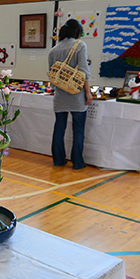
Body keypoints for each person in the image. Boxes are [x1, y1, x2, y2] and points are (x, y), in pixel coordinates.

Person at [48, 19, 92, 169]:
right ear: (77, 32)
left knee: (59, 128)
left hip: (60, 96)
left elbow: (52, 75)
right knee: (78, 130)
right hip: (77, 95)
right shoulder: (80, 45)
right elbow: (84, 72)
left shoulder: (53, 50)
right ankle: (77, 162)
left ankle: (58, 160)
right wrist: (88, 92)